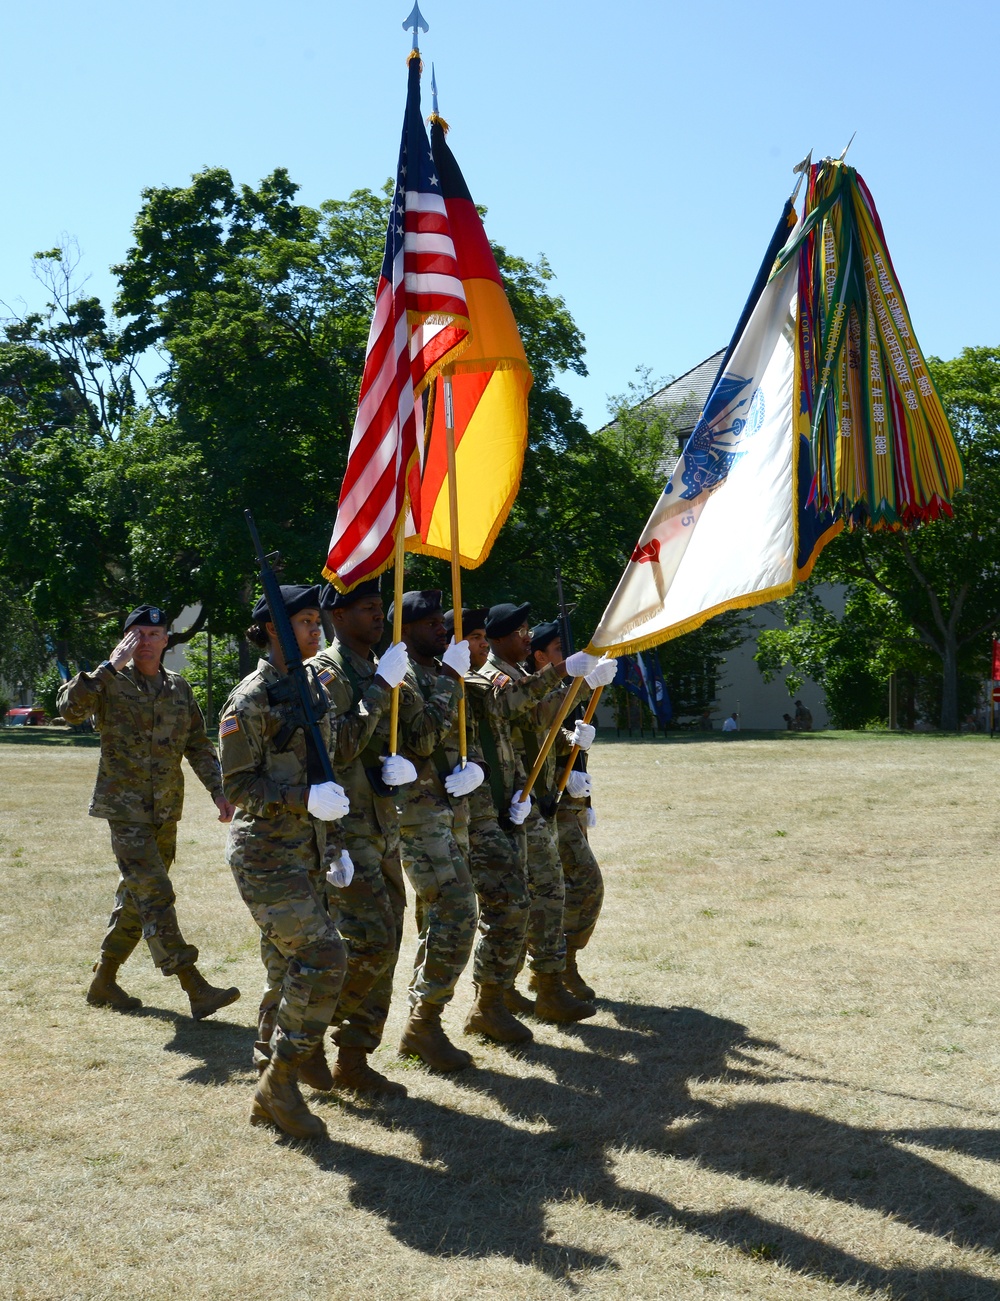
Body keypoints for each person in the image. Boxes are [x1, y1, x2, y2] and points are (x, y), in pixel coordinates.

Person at [58, 604, 241, 1022]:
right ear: (125, 640)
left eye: (154, 634)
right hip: (125, 811)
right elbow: (70, 710)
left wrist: (218, 790)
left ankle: (104, 980)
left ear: (166, 640)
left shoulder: (178, 687)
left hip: (165, 811)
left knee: (137, 900)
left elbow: (197, 743)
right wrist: (109, 666)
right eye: (136, 634)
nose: (146, 642)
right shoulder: (107, 682)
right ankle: (194, 986)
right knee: (156, 895)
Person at [220, 583, 356, 1139]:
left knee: (285, 970)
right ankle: (278, 1085)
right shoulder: (250, 697)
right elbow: (237, 785)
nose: (316, 630)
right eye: (304, 622)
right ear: (274, 628)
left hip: (310, 847)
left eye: (315, 620)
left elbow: (330, 764)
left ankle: (273, 1073)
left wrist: (337, 841)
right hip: (266, 853)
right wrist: (301, 800)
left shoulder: (315, 687)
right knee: (323, 957)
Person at [483, 602, 615, 1021]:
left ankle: (538, 982)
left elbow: (539, 728)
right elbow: (524, 711)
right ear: (500, 637)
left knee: (545, 894)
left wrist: (571, 741)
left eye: (528, 629)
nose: (526, 637)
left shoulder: (519, 674)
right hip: (514, 803)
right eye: (520, 631)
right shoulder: (496, 676)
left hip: (539, 800)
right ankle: (532, 986)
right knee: (537, 896)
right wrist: (572, 679)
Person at [311, 578, 413, 1096]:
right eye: (369, 609)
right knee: (369, 943)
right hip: (345, 834)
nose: (379, 617)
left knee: (388, 942)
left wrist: (403, 766)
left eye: (381, 608)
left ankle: (352, 1060)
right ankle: (301, 1035)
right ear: (338, 616)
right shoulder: (326, 674)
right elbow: (339, 746)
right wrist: (379, 690)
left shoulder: (376, 668)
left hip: (382, 826)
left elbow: (394, 740)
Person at [391, 589, 482, 1071]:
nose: (442, 628)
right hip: (418, 815)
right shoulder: (402, 674)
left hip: (451, 810)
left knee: (437, 921)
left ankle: (421, 1026)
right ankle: (424, 1021)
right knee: (458, 912)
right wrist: (451, 678)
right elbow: (423, 736)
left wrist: (478, 769)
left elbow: (461, 737)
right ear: (404, 629)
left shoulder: (438, 672)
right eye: (429, 623)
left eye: (440, 620)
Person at [450, 606, 534, 1044]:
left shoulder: (477, 682)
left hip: (499, 810)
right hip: (465, 819)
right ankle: (483, 1003)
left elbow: (507, 743)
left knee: (511, 904)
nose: (481, 645)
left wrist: (521, 790)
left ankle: (494, 998)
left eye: (484, 637)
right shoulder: (457, 684)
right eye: (474, 637)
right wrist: (562, 673)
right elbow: (513, 700)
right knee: (499, 906)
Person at [528, 621, 605, 1004]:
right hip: (544, 805)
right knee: (575, 888)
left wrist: (582, 799)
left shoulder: (561, 691)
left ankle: (561, 964)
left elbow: (560, 741)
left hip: (566, 804)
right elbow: (533, 743)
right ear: (541, 656)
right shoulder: (533, 689)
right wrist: (586, 684)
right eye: (560, 650)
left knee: (571, 890)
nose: (568, 657)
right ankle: (553, 969)